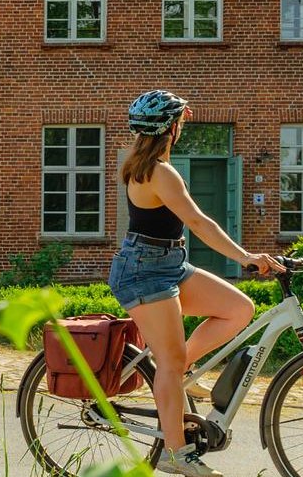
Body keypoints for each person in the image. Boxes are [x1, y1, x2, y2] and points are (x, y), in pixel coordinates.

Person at [114, 90, 281, 477]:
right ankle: (176, 454)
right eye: (181, 122)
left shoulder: (147, 165)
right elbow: (201, 222)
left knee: (239, 309)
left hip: (168, 263)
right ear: (170, 129)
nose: (183, 127)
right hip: (144, 271)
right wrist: (246, 258)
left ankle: (177, 373)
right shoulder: (159, 171)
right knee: (169, 364)